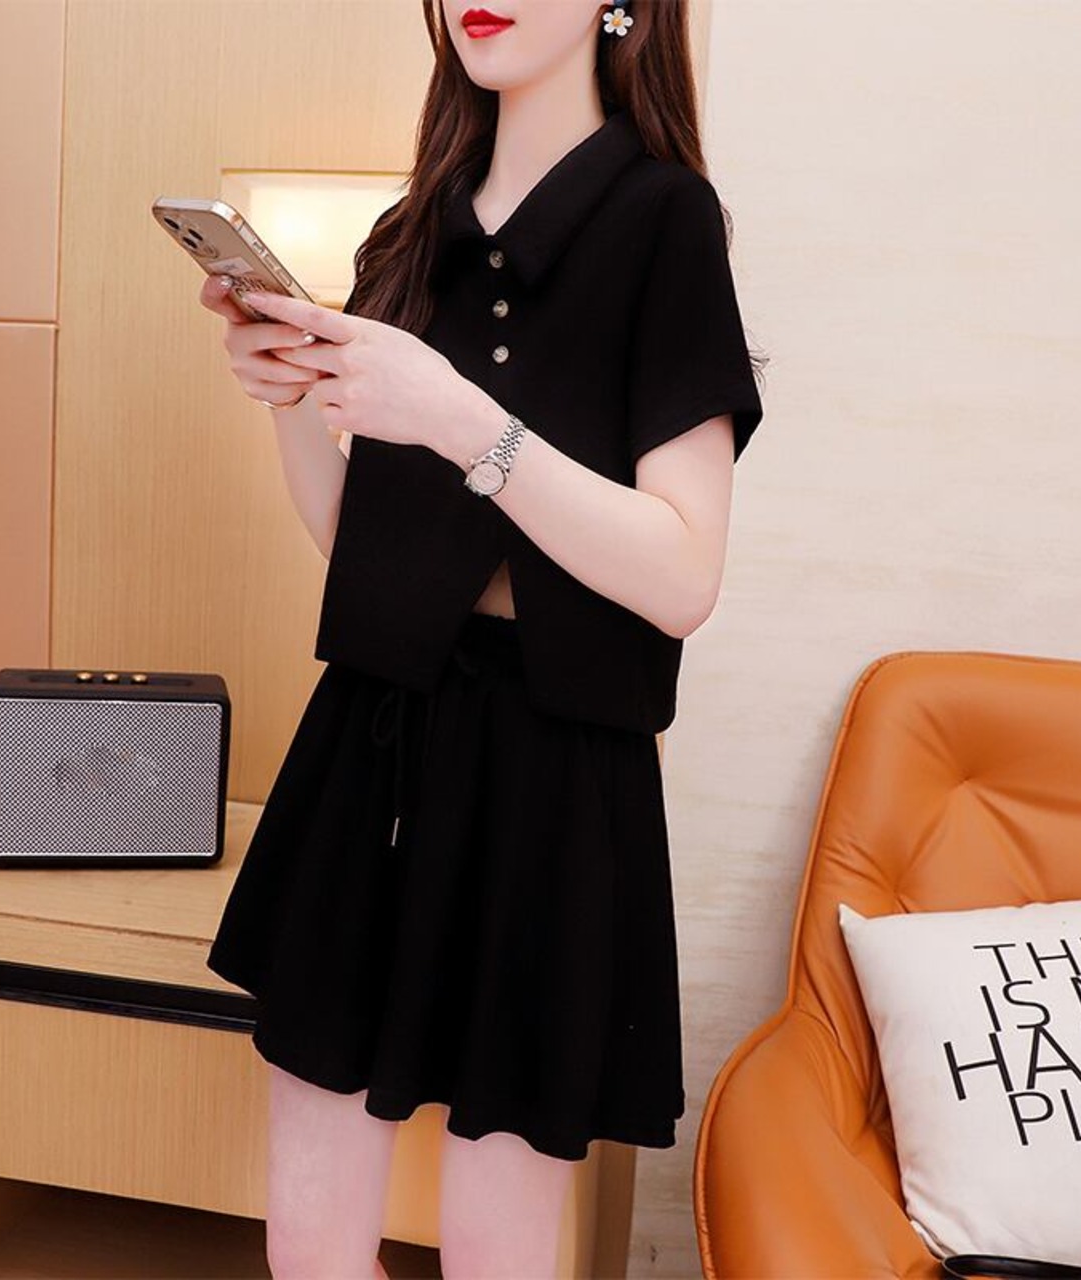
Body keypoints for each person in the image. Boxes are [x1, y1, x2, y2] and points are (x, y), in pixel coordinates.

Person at [201, 1, 766, 1276]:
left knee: (494, 1243)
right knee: (308, 1226)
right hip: (373, 738)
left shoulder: (664, 220)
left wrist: (460, 419)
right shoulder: (410, 230)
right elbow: (364, 542)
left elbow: (682, 575)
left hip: (554, 769)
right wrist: (286, 393)